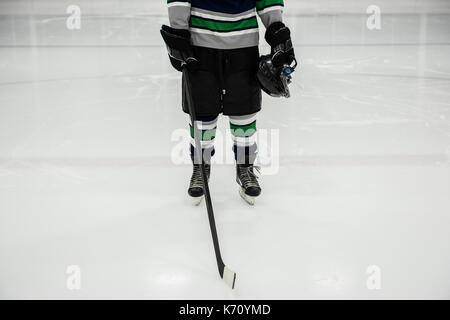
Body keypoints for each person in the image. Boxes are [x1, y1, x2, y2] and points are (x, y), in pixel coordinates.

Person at [161, 0, 296, 205]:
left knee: (244, 112)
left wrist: (276, 30)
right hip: (200, 47)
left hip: (243, 46)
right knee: (202, 114)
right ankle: (201, 167)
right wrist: (178, 34)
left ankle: (245, 168)